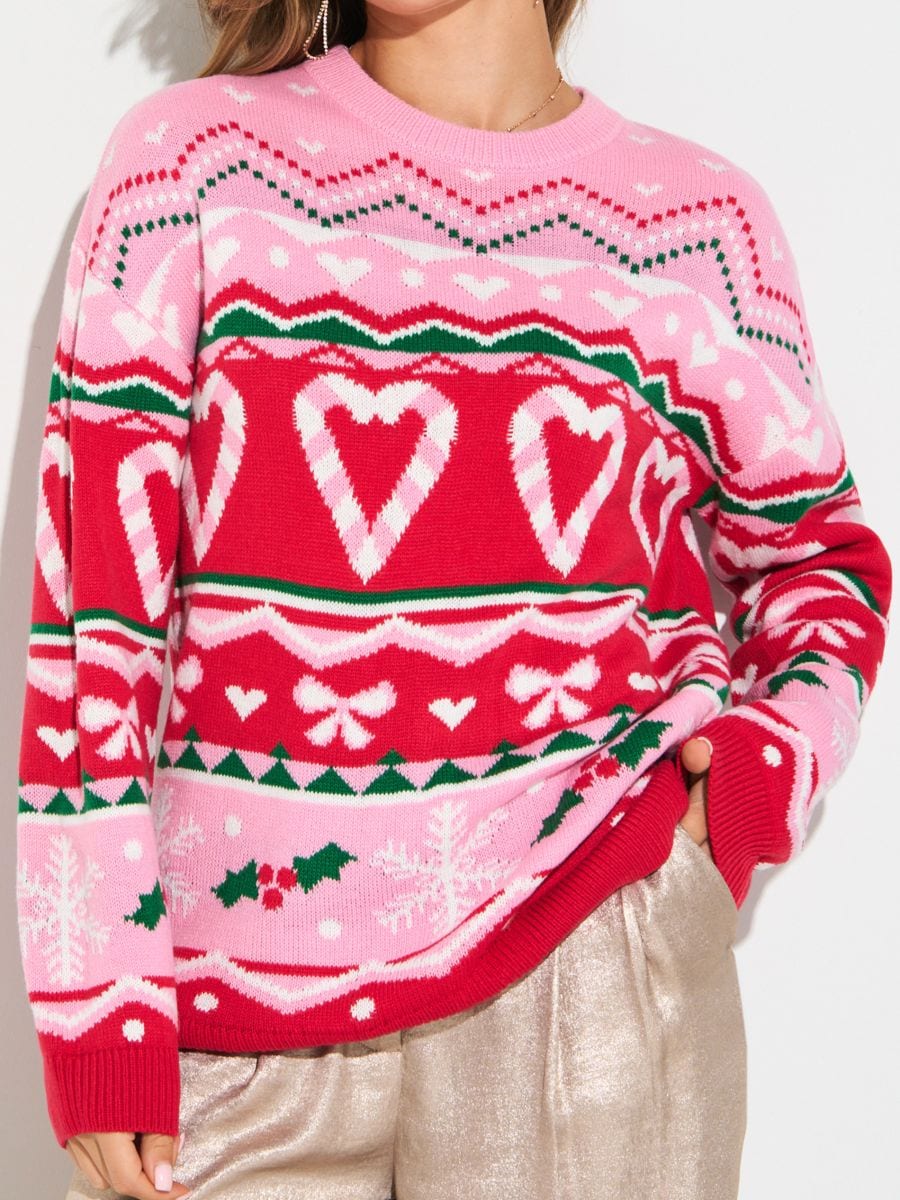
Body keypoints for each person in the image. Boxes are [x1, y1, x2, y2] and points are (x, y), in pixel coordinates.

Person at [14, 0, 892, 1197]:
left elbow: (821, 562)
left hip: (594, 979)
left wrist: (752, 780)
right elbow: (92, 622)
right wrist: (98, 1004)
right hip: (228, 1022)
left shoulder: (701, 224)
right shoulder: (190, 166)